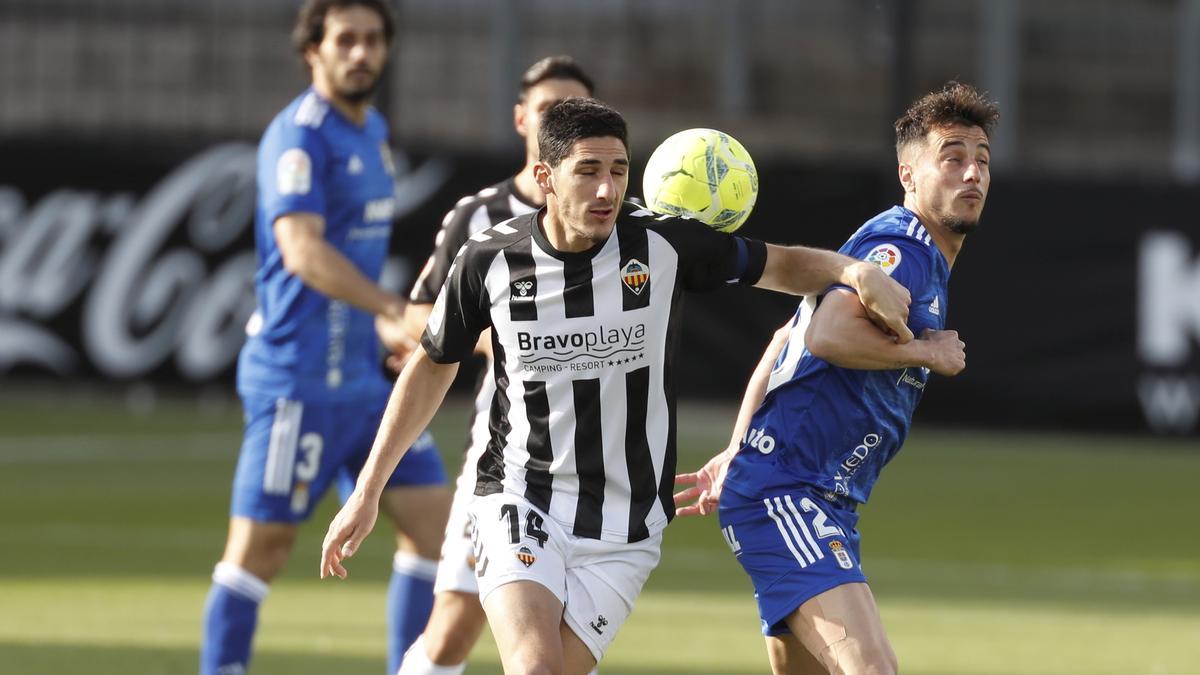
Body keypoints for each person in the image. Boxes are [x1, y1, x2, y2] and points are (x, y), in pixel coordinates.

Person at [320, 97, 914, 675]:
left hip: (626, 527)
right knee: (534, 667)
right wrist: (368, 490)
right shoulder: (489, 260)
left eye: (619, 171)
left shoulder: (663, 243)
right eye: (588, 172)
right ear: (545, 177)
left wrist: (854, 270)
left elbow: (781, 265)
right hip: (521, 495)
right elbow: (431, 365)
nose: (607, 190)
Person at [673, 81, 996, 674]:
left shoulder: (915, 252)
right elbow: (826, 336)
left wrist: (736, 447)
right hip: (789, 492)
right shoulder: (906, 246)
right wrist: (927, 353)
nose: (971, 173)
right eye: (951, 158)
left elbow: (785, 340)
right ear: (909, 174)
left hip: (811, 494)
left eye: (981, 159)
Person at [200, 2, 452, 674]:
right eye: (345, 40)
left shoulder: (373, 132)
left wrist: (383, 326)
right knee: (262, 550)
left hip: (366, 383)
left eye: (373, 40)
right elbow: (302, 252)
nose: (360, 53)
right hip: (298, 379)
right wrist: (394, 309)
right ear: (313, 50)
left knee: (436, 526)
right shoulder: (299, 136)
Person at [397, 56, 595, 675]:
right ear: (520, 120)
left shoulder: (616, 218)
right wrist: (500, 339)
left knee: (563, 648)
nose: (557, 122)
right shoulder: (478, 217)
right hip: (509, 449)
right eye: (545, 111)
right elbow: (418, 317)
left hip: (601, 462)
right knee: (456, 624)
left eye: (572, 112)